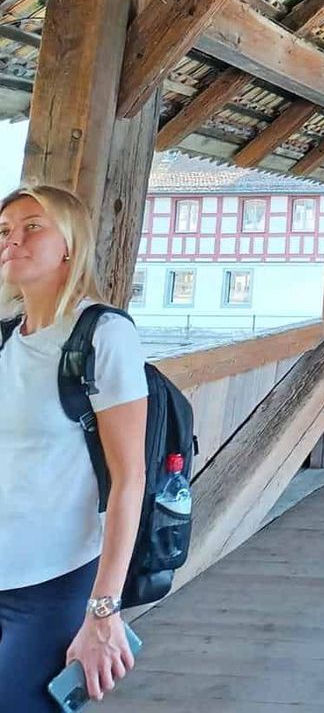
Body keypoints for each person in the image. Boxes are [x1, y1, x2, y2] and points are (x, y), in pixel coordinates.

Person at [0, 185, 149, 711]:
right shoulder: (4, 339)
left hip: (54, 581)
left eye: (32, 227)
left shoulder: (102, 334)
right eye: (4, 231)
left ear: (70, 244)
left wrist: (103, 611)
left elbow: (130, 479)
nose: (12, 240)